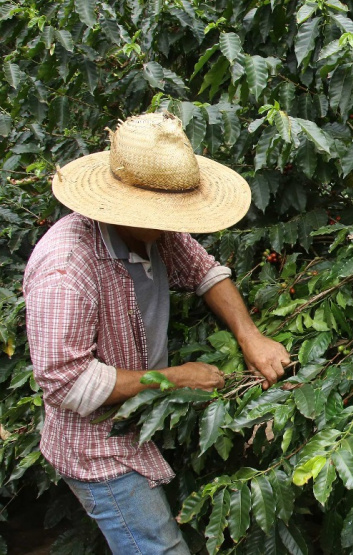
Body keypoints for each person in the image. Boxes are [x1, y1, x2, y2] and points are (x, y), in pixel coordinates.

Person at [23, 112, 291, 554]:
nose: (173, 222)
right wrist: (178, 378)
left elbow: (204, 270)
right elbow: (66, 382)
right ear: (124, 205)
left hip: (140, 423)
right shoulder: (66, 269)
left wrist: (250, 336)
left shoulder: (153, 232)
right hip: (97, 446)